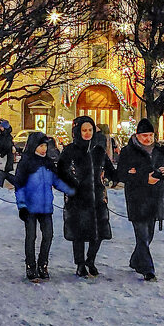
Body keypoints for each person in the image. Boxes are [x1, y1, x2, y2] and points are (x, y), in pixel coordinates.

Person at [57, 116, 117, 278]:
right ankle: (80, 264)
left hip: (97, 197)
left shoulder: (98, 150)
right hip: (78, 198)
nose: (87, 133)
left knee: (98, 233)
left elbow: (110, 169)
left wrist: (114, 177)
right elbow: (61, 171)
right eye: (84, 130)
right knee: (79, 233)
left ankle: (91, 260)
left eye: (90, 130)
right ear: (78, 131)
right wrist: (73, 184)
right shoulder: (70, 150)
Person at [118, 118, 164, 282]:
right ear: (137, 136)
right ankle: (148, 270)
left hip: (156, 198)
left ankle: (135, 260)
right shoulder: (128, 151)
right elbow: (121, 174)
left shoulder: (160, 150)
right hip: (137, 199)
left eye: (150, 135)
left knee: (149, 235)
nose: (148, 139)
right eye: (144, 135)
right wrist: (144, 178)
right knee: (142, 235)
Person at [15, 131, 76, 281]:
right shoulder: (26, 163)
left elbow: (56, 182)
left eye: (45, 146)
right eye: (40, 146)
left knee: (48, 236)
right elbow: (19, 186)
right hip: (29, 207)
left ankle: (43, 264)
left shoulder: (48, 163)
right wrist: (21, 205)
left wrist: (73, 191)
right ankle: (31, 266)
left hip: (46, 207)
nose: (43, 149)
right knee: (31, 237)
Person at [0, 118, 15, 188]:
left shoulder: (6, 136)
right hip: (3, 159)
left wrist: (1, 154)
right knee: (3, 173)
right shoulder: (2, 135)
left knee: (1, 173)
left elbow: (6, 146)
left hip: (4, 159)